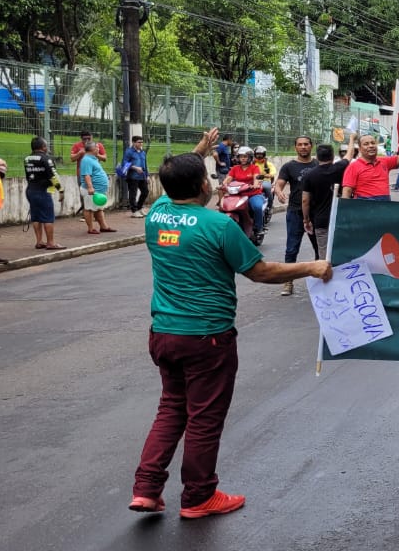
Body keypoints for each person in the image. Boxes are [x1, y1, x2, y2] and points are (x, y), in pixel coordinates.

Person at [129, 127, 333, 519]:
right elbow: (261, 271)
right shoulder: (218, 225)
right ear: (204, 183)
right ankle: (199, 496)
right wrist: (313, 267)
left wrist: (199, 151)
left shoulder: (156, 215)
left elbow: (177, 178)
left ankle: (146, 488)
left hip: (164, 335)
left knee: (172, 408)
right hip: (207, 338)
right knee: (204, 417)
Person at [274, 136, 319, 297]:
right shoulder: (288, 167)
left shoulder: (318, 164)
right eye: (300, 145)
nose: (303, 147)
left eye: (306, 144)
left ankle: (320, 280)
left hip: (316, 213)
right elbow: (279, 183)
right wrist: (279, 192)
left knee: (319, 248)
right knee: (291, 248)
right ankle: (288, 281)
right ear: (295, 148)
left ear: (311, 146)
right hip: (295, 212)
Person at [301, 143, 358, 259]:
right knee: (344, 250)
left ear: (317, 157)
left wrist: (306, 220)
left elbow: (305, 200)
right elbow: (349, 155)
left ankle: (326, 275)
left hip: (321, 221)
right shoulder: (340, 167)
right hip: (341, 218)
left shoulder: (309, 175)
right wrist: (352, 139)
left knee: (324, 253)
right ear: (333, 156)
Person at [340, 134, 399, 200]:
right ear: (360, 149)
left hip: (384, 208)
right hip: (364, 208)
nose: (371, 146)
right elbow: (347, 192)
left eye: (373, 143)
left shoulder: (385, 161)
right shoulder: (353, 167)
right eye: (366, 144)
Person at [24, 138, 65, 250]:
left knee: (36, 216)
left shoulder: (27, 158)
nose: (47, 148)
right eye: (46, 146)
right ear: (43, 147)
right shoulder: (46, 158)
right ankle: (50, 243)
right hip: (42, 191)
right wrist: (61, 190)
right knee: (48, 217)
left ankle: (39, 242)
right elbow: (53, 176)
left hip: (30, 190)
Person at [222, 148, 266, 239]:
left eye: (245, 157)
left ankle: (259, 228)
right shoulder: (235, 168)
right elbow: (228, 179)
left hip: (253, 194)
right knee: (223, 206)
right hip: (238, 195)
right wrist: (223, 185)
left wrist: (255, 184)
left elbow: (256, 178)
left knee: (257, 206)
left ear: (250, 157)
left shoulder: (254, 168)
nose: (243, 158)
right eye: (241, 156)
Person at [79, 141, 115, 234]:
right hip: (91, 190)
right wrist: (90, 187)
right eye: (97, 147)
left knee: (99, 209)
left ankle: (103, 226)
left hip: (98, 190)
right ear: (92, 149)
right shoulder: (86, 160)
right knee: (89, 209)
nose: (99, 149)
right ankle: (90, 228)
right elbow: (87, 175)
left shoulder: (93, 159)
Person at [122, 136, 150, 217]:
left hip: (142, 176)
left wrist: (147, 175)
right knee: (133, 193)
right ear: (133, 142)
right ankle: (134, 211)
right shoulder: (129, 152)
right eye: (139, 142)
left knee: (145, 192)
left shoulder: (143, 152)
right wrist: (135, 167)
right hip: (132, 176)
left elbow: (145, 164)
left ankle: (139, 207)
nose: (141, 144)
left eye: (141, 142)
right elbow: (124, 164)